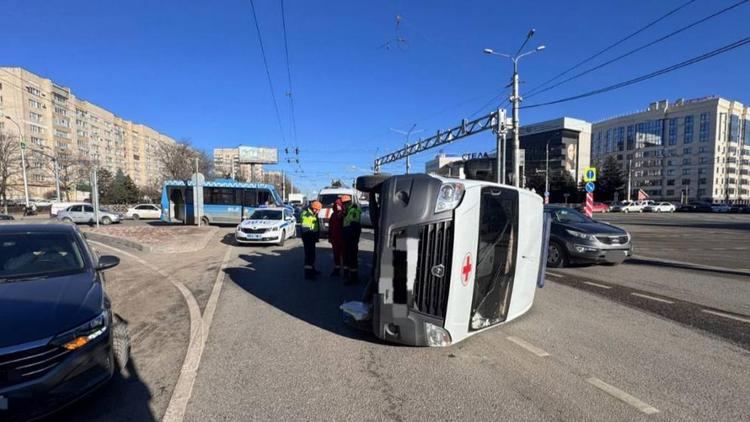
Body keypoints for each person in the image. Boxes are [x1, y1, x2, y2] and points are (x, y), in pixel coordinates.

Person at [341, 195, 362, 284]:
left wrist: (349, 237)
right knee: (347, 256)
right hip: (348, 236)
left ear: (348, 203)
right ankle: (347, 274)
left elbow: (354, 224)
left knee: (352, 257)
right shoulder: (349, 210)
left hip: (351, 237)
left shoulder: (353, 210)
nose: (343, 206)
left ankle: (353, 278)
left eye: (344, 204)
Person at [300, 200, 322, 280]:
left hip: (311, 238)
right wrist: (313, 236)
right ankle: (308, 274)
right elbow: (306, 229)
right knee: (309, 256)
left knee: (312, 255)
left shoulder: (312, 214)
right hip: (308, 238)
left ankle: (312, 270)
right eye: (318, 210)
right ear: (315, 209)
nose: (319, 211)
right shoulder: (307, 215)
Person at [328, 198, 345, 277]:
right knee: (336, 254)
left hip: (342, 238)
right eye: (336, 205)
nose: (337, 206)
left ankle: (345, 271)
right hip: (334, 238)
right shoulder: (333, 214)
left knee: (344, 255)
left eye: (339, 205)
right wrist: (330, 236)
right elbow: (330, 227)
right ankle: (337, 269)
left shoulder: (344, 214)